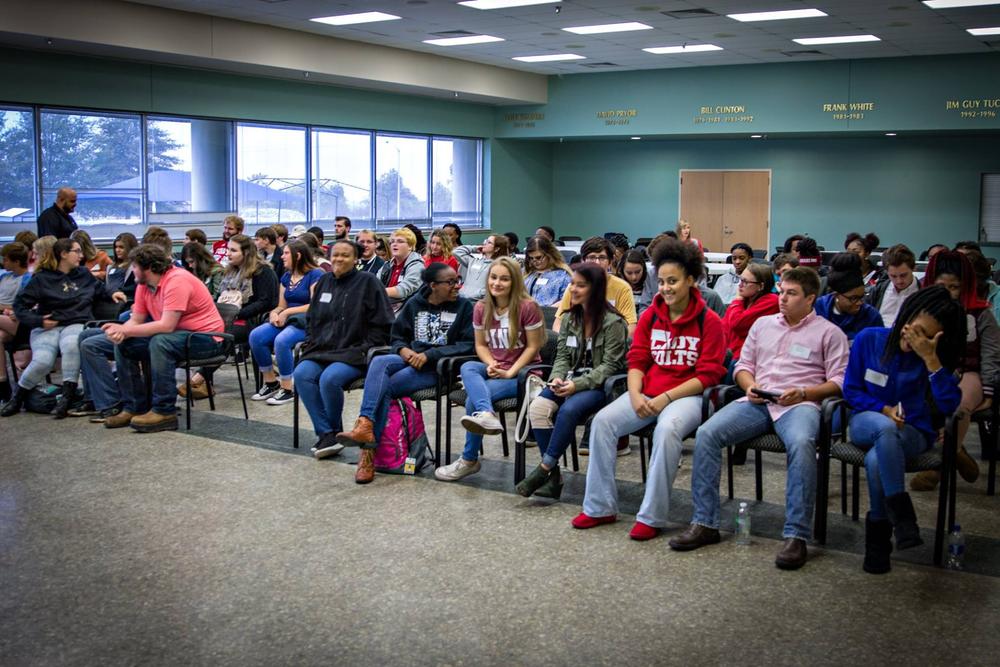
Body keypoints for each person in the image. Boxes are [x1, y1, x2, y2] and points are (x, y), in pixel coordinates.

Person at [669, 267, 849, 570]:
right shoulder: (763, 325)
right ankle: (705, 523)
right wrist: (748, 385)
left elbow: (841, 381)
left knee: (803, 444)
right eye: (781, 291)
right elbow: (742, 365)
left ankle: (796, 536)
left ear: (810, 298)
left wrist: (805, 393)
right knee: (708, 433)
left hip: (799, 405)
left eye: (791, 294)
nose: (783, 298)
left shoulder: (829, 333)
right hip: (756, 401)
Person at [571, 239, 726, 537]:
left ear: (691, 281)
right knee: (603, 422)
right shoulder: (651, 316)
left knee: (666, 430)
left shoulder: (711, 321)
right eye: (663, 281)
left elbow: (709, 376)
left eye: (673, 281)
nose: (666, 288)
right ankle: (599, 508)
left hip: (688, 396)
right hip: (647, 393)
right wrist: (635, 394)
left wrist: (665, 398)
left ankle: (651, 517)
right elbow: (637, 360)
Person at [842, 286, 965, 574]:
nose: (918, 339)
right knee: (884, 430)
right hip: (867, 420)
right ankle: (903, 516)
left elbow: (949, 405)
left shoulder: (932, 358)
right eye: (917, 330)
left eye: (929, 336)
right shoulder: (870, 339)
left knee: (876, 459)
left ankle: (879, 538)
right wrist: (884, 409)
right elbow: (851, 390)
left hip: (912, 432)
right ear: (905, 318)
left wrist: (931, 360)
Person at [337, 263, 475, 484]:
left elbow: (468, 344)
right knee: (381, 361)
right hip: (409, 359)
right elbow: (397, 336)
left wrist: (430, 355)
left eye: (457, 280)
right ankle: (365, 425)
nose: (456, 286)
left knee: (386, 387)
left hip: (437, 368)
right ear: (433, 285)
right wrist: (403, 349)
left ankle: (368, 451)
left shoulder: (464, 307)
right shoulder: (415, 304)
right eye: (450, 282)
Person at [516, 263, 628, 500]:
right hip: (570, 380)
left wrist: (577, 385)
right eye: (572, 284)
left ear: (595, 289)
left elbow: (610, 367)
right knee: (538, 408)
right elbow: (563, 356)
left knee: (567, 411)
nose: (573, 289)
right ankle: (554, 476)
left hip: (600, 386)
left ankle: (544, 468)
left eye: (580, 285)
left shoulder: (614, 323)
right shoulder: (570, 319)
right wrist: (557, 377)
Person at [87, 244, 225, 432]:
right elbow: (136, 320)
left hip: (207, 338)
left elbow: (166, 326)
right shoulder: (144, 284)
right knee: (125, 343)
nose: (132, 270)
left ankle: (164, 411)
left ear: (149, 268)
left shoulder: (177, 281)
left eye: (135, 266)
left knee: (160, 341)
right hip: (178, 335)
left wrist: (125, 330)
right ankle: (133, 407)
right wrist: (119, 332)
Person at [435, 257, 545, 482]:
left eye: (504, 279)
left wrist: (511, 371)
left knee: (472, 400)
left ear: (514, 281)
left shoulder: (528, 307)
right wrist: (491, 363)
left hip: (525, 373)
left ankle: (468, 459)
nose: (497, 283)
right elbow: (481, 345)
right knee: (468, 366)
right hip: (495, 368)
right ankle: (487, 415)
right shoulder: (481, 307)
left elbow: (534, 346)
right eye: (493, 277)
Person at [2, 238, 126, 418]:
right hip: (47, 326)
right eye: (76, 251)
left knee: (70, 347)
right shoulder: (42, 278)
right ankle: (17, 397)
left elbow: (100, 289)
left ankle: (66, 398)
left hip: (76, 322)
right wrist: (38, 321)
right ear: (63, 254)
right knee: (43, 360)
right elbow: (20, 307)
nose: (81, 255)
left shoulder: (83, 274)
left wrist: (113, 292)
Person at [293, 239, 395, 458]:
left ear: (356, 259)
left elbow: (385, 323)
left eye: (345, 255)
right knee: (301, 374)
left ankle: (331, 434)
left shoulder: (368, 282)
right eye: (335, 254)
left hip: (355, 351)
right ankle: (328, 433)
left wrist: (368, 346)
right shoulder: (324, 282)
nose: (339, 259)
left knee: (329, 379)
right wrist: (311, 340)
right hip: (321, 349)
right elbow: (311, 319)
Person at [909, 251, 998, 491]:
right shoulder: (921, 312)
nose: (948, 292)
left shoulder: (982, 314)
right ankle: (956, 451)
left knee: (958, 406)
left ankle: (937, 466)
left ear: (965, 286)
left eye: (954, 286)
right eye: (941, 286)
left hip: (971, 373)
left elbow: (991, 355)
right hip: (931, 369)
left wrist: (989, 392)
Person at [182, 234, 278, 400]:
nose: (228, 254)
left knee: (224, 335)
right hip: (229, 316)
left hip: (251, 319)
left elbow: (266, 302)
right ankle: (204, 381)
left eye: (233, 250)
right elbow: (220, 297)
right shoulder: (230, 271)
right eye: (228, 250)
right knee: (205, 330)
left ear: (246, 252)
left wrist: (236, 313)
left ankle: (199, 378)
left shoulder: (263, 271)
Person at [249, 240, 324, 405]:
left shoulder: (316, 274)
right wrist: (274, 313)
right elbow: (281, 305)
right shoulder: (286, 276)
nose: (282, 256)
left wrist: (287, 312)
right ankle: (270, 382)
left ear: (298, 255)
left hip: (307, 320)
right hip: (287, 319)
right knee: (256, 336)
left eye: (286, 253)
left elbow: (315, 305)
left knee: (282, 341)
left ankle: (287, 387)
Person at [553, 237, 637, 336]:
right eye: (592, 257)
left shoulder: (622, 287)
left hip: (611, 342)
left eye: (602, 258)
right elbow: (558, 324)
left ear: (610, 261)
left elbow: (630, 327)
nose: (597, 262)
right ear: (583, 260)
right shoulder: (573, 286)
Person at [814, 252, 884, 344]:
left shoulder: (871, 317)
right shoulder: (817, 310)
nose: (860, 303)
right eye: (853, 298)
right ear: (836, 295)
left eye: (861, 297)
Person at [722, 262, 779, 370]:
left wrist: (737, 300)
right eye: (740, 280)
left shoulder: (771, 301)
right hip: (729, 353)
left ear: (761, 286)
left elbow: (738, 324)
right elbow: (724, 328)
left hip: (746, 359)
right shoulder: (745, 300)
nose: (740, 285)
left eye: (745, 282)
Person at [0, 242, 32, 402]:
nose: (3, 263)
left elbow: (22, 306)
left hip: (19, 323)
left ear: (17, 262)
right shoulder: (4, 277)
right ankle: (2, 382)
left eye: (5, 260)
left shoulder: (28, 279)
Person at [867, 244, 919, 328]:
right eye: (893, 276)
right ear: (886, 272)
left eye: (903, 275)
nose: (899, 281)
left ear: (914, 268)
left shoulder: (923, 292)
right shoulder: (879, 290)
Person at [378, 227, 425, 314]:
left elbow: (402, 291)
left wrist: (377, 291)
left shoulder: (417, 266)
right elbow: (375, 283)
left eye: (400, 241)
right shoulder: (387, 265)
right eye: (392, 242)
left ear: (410, 246)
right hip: (386, 308)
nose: (394, 244)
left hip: (408, 311)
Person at [454, 234, 510, 301]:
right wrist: (474, 248)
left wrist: (481, 293)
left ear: (496, 249)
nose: (484, 243)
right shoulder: (473, 261)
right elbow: (456, 252)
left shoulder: (498, 266)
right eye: (486, 241)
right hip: (462, 299)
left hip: (480, 302)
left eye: (489, 242)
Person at [524, 235, 572, 308]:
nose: (535, 261)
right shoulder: (525, 273)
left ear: (549, 254)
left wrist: (549, 310)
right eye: (531, 258)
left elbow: (568, 300)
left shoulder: (563, 276)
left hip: (550, 316)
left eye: (538, 257)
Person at [105, 233, 139, 301]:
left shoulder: (136, 267)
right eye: (116, 247)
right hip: (110, 299)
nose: (117, 250)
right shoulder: (110, 267)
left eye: (121, 247)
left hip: (127, 300)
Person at [616, 249, 648, 313]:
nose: (634, 277)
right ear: (622, 271)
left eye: (638, 272)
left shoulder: (649, 284)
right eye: (629, 273)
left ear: (643, 269)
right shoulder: (617, 285)